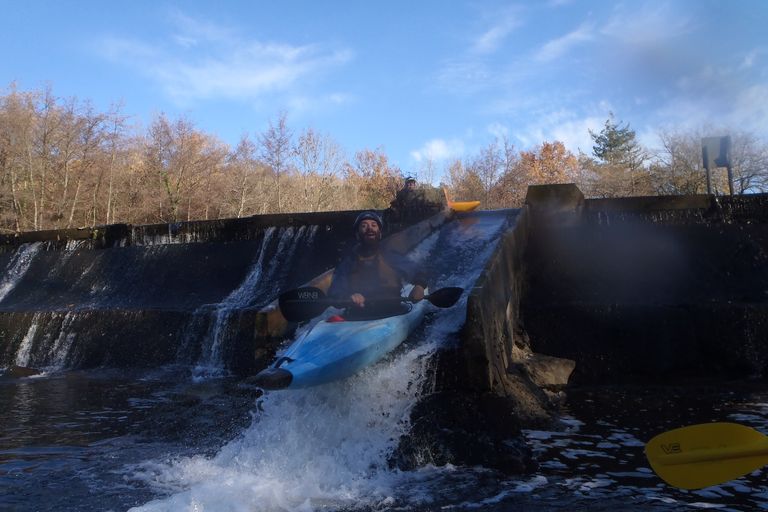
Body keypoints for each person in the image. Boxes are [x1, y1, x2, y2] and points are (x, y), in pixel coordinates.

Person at [327, 211, 426, 319]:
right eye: (364, 226)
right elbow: (335, 292)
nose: (370, 228)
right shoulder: (348, 262)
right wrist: (348, 297)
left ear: (380, 233)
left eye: (374, 225)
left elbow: (418, 272)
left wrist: (419, 286)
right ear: (357, 234)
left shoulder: (390, 256)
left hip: (392, 312)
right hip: (358, 315)